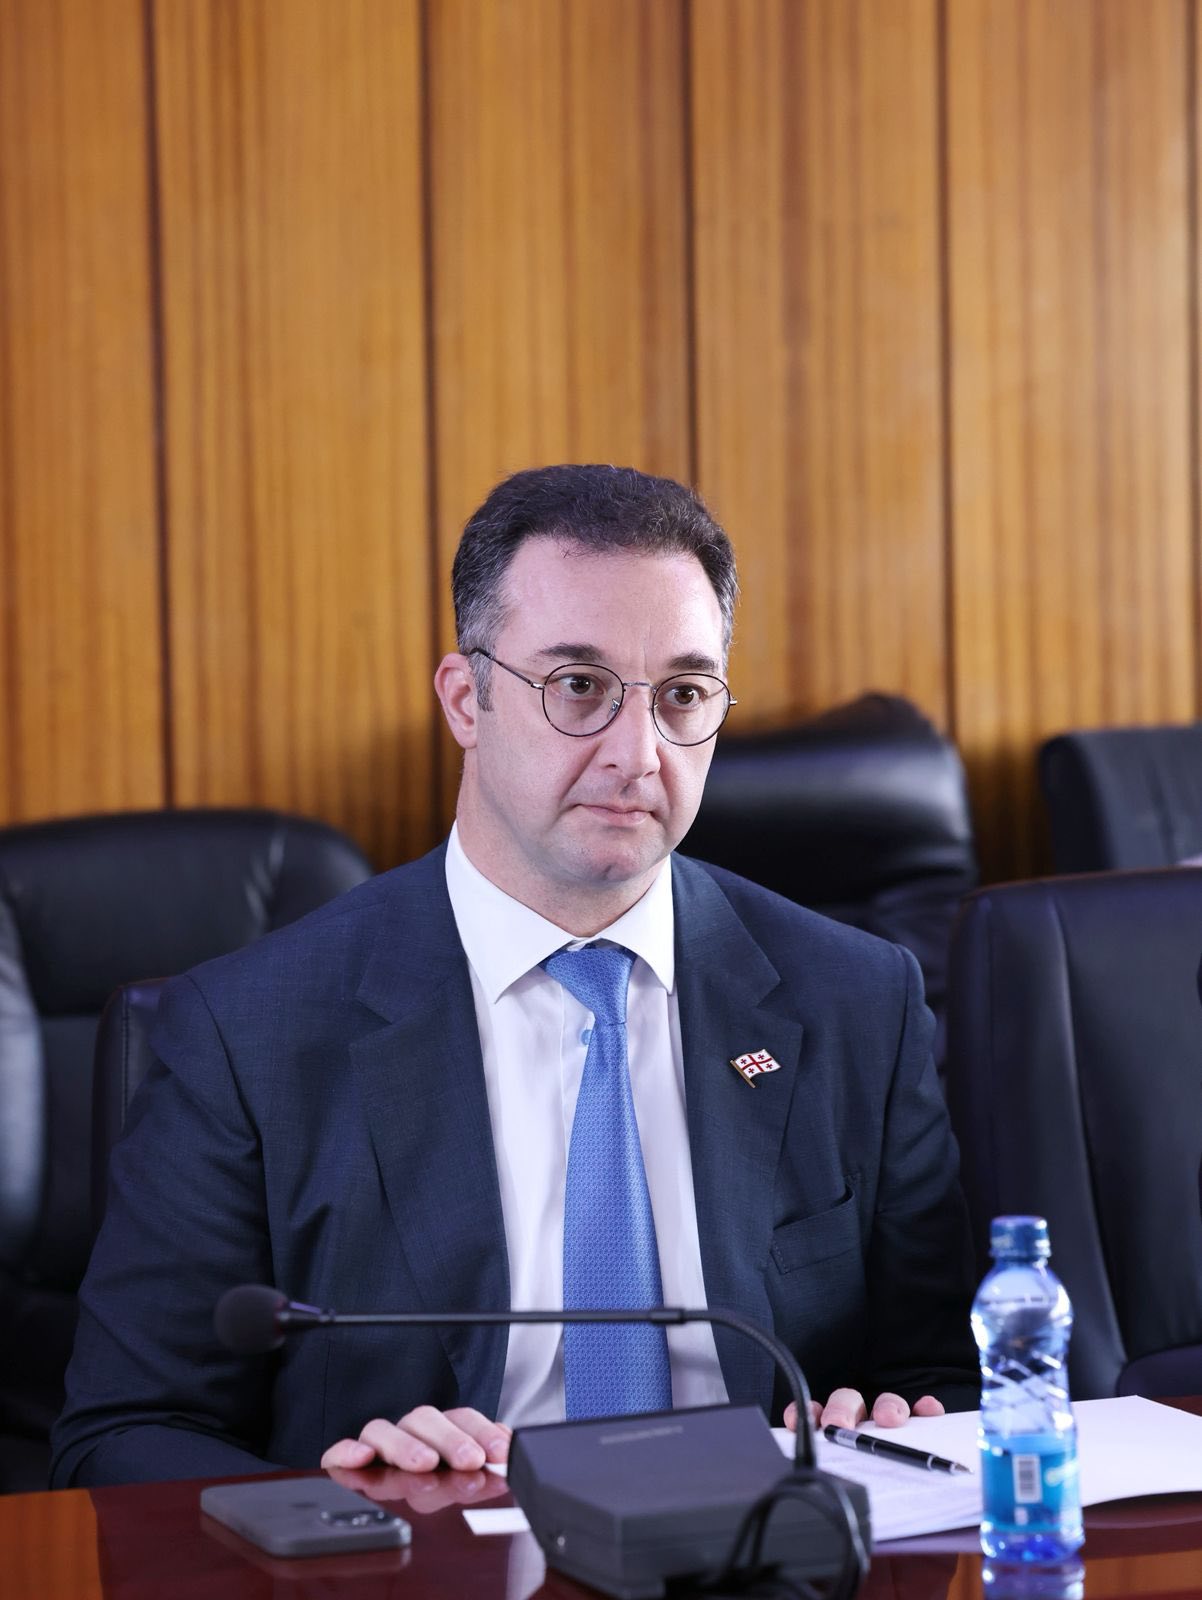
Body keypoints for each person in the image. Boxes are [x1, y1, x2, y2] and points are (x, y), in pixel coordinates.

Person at [51, 465, 978, 1488]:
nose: (639, 753)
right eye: (578, 686)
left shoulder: (857, 1002)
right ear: (466, 700)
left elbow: (948, 1373)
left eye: (683, 695)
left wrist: (893, 1418)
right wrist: (341, 1496)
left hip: (763, 1541)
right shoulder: (246, 1033)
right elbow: (122, 1436)